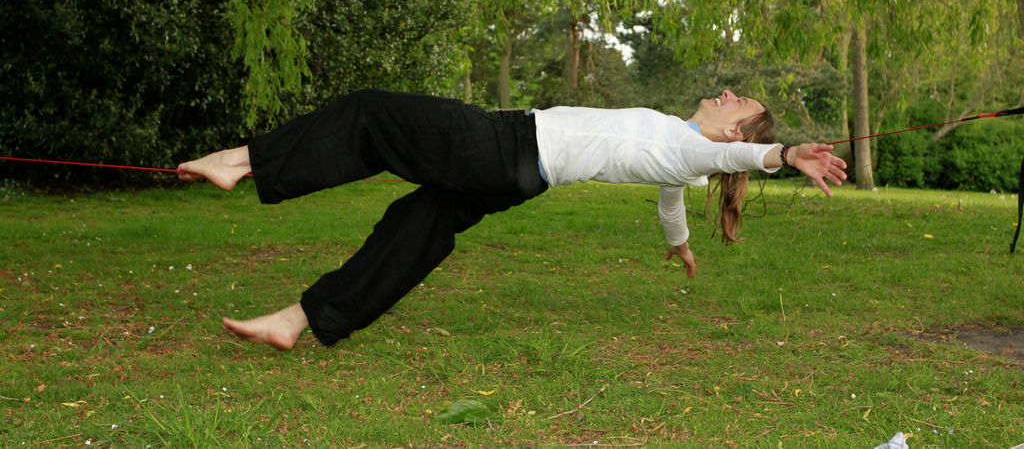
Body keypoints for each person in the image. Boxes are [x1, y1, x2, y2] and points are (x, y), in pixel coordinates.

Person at [177, 88, 846, 350]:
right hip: (520, 173)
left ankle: (243, 162)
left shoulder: (696, 145)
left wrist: (782, 152)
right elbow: (673, 196)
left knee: (369, 114)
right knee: (417, 226)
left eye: (738, 98)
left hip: (506, 146)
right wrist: (680, 243)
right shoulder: (680, 150)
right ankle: (302, 320)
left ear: (735, 129)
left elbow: (725, 155)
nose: (725, 91)